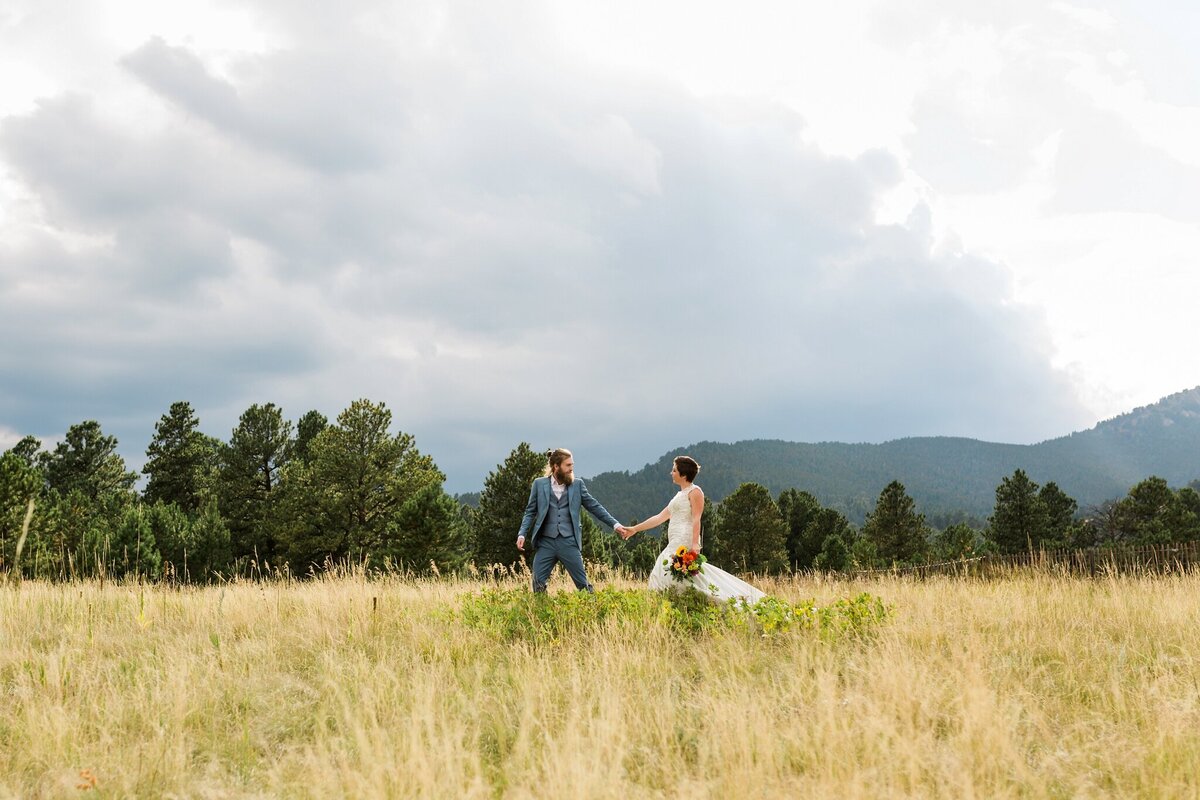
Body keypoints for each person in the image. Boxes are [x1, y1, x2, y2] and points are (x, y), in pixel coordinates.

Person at [625, 456, 765, 604]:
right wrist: (635, 529)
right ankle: (673, 604)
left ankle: (720, 601)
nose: (671, 473)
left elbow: (696, 518)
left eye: (674, 470)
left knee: (670, 573)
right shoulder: (679, 495)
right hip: (674, 540)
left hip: (684, 540)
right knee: (664, 574)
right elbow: (659, 517)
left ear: (683, 475)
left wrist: (695, 544)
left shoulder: (695, 492)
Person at [516, 448, 630, 593]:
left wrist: (615, 525)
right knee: (537, 584)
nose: (571, 469)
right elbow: (530, 511)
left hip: (569, 541)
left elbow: (595, 507)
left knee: (583, 585)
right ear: (556, 467)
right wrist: (522, 534)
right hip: (545, 542)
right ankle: (541, 612)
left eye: (572, 465)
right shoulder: (539, 484)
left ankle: (593, 609)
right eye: (568, 465)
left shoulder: (577, 485)